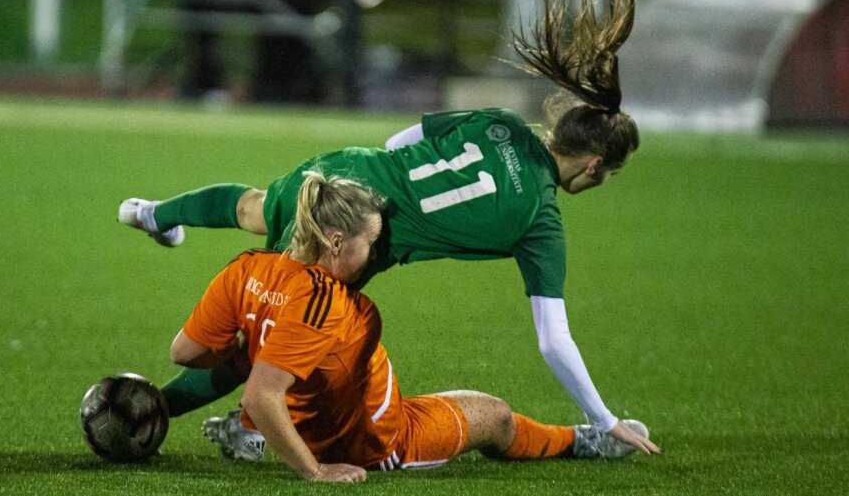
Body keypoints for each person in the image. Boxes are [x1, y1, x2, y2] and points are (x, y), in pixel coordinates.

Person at [121, 0, 648, 455]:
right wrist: (603, 419)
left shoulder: (501, 123)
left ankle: (156, 213)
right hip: (362, 228)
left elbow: (403, 140)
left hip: (346, 167)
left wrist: (388, 180)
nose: (602, 183)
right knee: (280, 327)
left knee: (255, 208)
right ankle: (160, 417)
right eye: (611, 175)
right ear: (596, 162)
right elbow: (554, 340)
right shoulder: (541, 223)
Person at [170, 171, 660, 483]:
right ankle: (582, 442)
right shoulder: (321, 299)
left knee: (270, 369)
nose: (377, 253)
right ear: (336, 240)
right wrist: (316, 471)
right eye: (371, 242)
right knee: (496, 416)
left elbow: (186, 352)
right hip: (378, 440)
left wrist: (247, 350)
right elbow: (262, 392)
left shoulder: (248, 267)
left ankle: (252, 433)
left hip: (314, 413)